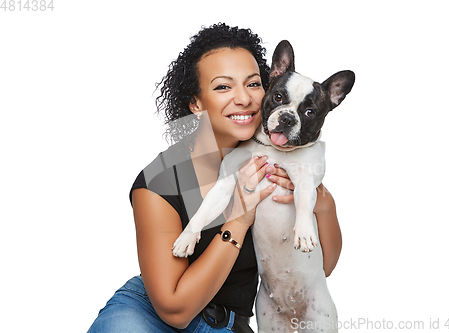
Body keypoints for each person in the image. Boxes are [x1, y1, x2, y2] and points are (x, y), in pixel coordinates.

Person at [87, 23, 342, 333]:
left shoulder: (283, 161)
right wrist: (238, 219)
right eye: (223, 87)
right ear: (195, 103)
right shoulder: (160, 182)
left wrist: (322, 202)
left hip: (229, 324)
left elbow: (322, 268)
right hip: (151, 315)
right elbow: (175, 310)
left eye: (252, 84)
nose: (244, 98)